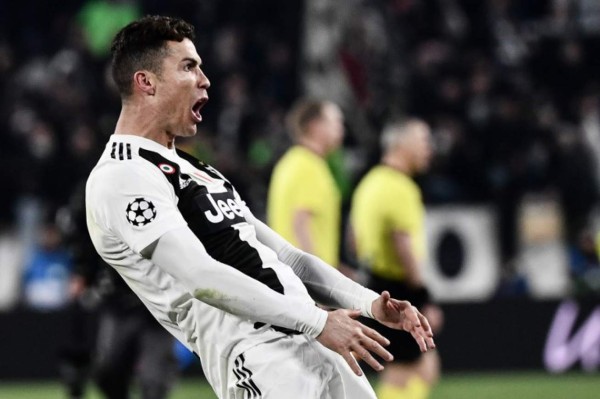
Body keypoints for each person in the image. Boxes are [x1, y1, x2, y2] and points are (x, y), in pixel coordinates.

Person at [85, 15, 435, 399]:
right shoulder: (122, 175)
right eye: (188, 67)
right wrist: (317, 321)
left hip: (315, 334)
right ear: (146, 83)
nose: (205, 80)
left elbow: (288, 258)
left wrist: (368, 303)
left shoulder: (199, 170)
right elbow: (203, 277)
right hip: (257, 355)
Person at [350, 119, 443, 399]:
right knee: (412, 370)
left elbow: (353, 240)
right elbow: (403, 246)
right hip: (398, 290)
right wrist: (423, 297)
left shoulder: (368, 183)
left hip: (374, 284)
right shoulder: (400, 187)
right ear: (402, 144)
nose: (430, 149)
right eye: (424, 140)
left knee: (412, 369)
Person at [267, 99, 344, 268]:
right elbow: (300, 225)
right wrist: (320, 278)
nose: (341, 129)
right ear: (315, 126)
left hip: (289, 271)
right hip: (305, 280)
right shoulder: (309, 167)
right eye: (336, 122)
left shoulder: (290, 161)